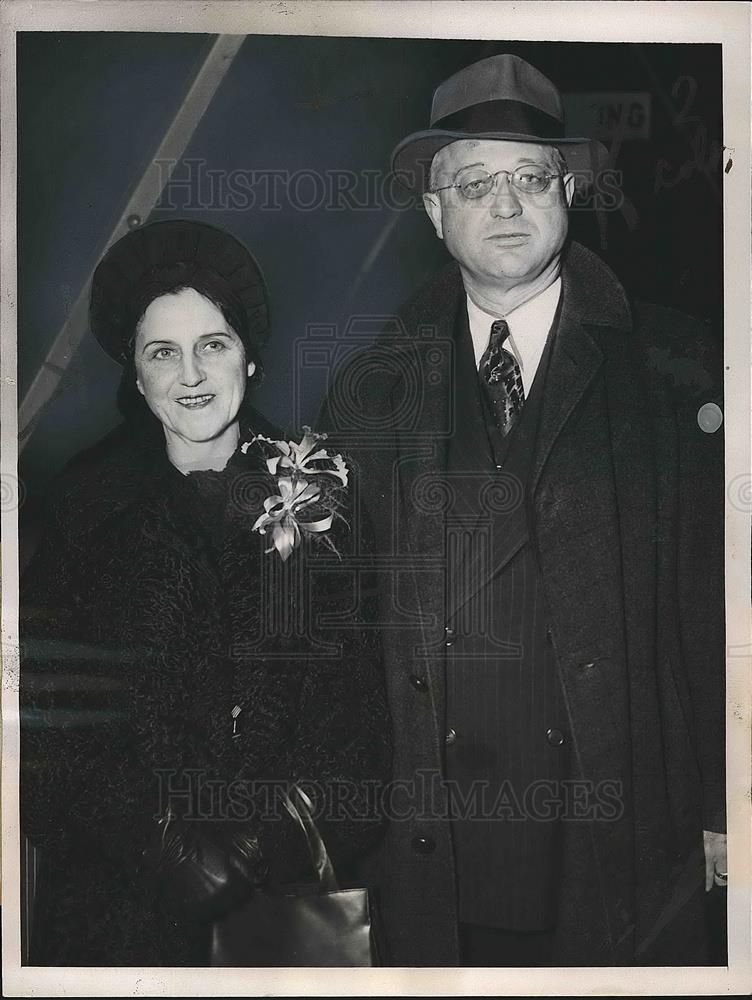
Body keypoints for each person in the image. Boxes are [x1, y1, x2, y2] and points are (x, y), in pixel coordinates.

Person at [317, 54, 726, 967]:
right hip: (436, 832)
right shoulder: (367, 386)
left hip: (619, 811)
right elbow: (332, 622)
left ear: (568, 191)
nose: (504, 205)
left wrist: (725, 804)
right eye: (474, 183)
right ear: (433, 211)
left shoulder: (674, 365)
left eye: (529, 178)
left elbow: (718, 598)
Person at [20, 219, 390, 966]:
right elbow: (48, 729)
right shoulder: (82, 511)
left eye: (212, 345)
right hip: (121, 907)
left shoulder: (319, 498)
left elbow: (358, 726)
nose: (190, 374)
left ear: (248, 359)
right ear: (136, 372)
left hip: (283, 910)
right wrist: (171, 850)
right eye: (163, 353)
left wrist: (269, 841)